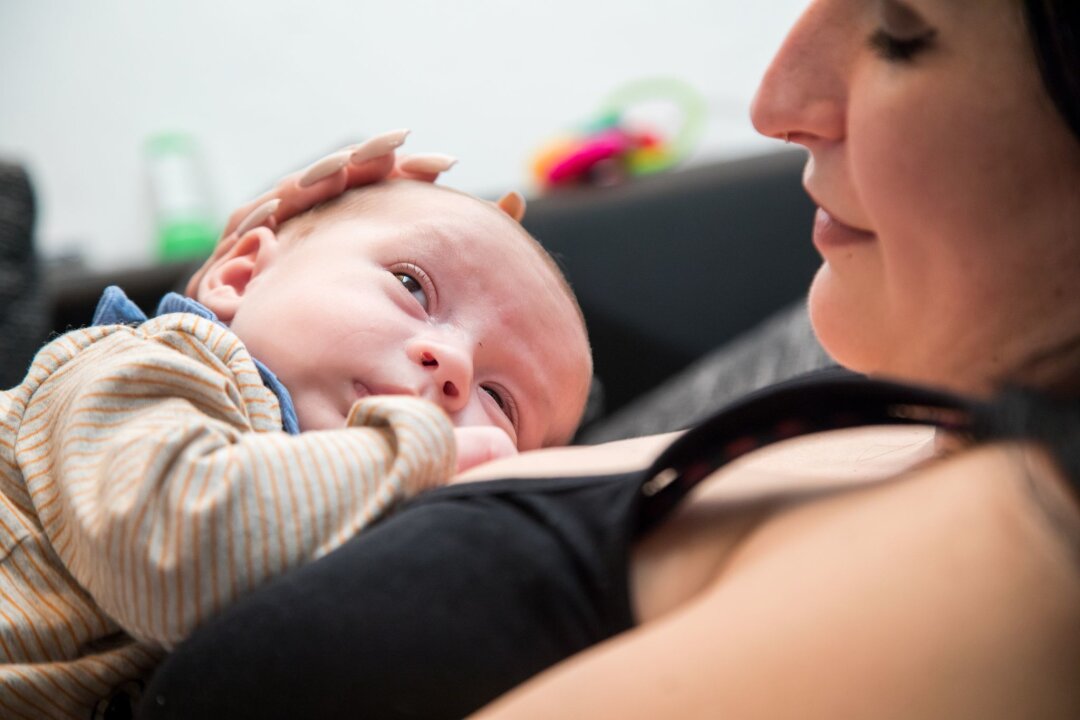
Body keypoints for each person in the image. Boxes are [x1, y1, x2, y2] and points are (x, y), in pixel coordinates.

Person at [138, 0, 1080, 717]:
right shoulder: (925, 406)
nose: (772, 102)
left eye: (903, 30)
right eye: (415, 288)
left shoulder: (1020, 573)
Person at [0, 135, 592, 720]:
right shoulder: (150, 365)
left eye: (499, 398)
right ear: (239, 274)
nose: (455, 364)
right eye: (412, 285)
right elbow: (171, 558)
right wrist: (424, 451)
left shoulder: (359, 514)